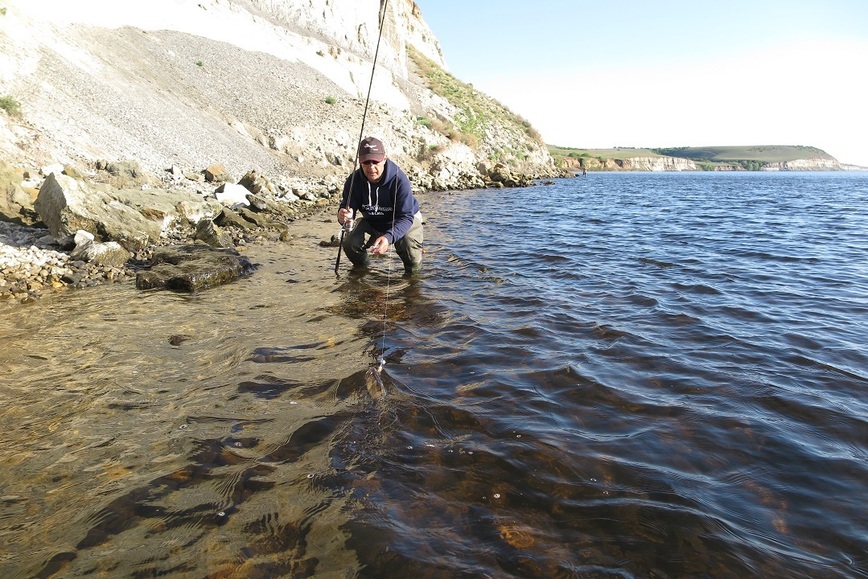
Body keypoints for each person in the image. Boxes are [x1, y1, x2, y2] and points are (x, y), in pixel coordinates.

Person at [337, 137, 423, 276]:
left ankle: (413, 279)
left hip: (404, 220)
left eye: (375, 162)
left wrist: (388, 237)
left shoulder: (399, 180)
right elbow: (347, 212)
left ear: (384, 159)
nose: (371, 167)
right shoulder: (354, 181)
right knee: (349, 241)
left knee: (409, 247)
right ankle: (363, 271)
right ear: (360, 161)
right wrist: (343, 217)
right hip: (372, 221)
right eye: (366, 162)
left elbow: (406, 217)